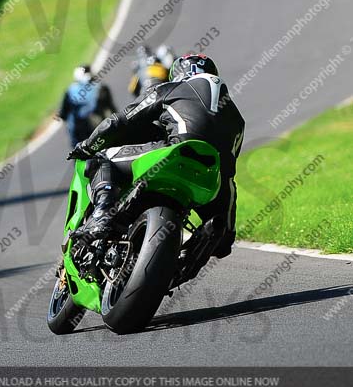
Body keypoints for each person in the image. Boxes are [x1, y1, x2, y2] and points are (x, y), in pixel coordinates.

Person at [68, 54, 245, 260]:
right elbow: (230, 166)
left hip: (175, 153)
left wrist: (88, 145)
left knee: (101, 159)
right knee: (223, 238)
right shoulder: (237, 117)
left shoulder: (171, 88)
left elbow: (119, 121)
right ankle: (210, 239)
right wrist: (227, 232)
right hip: (213, 177)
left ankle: (102, 215)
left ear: (178, 73)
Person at [58, 65, 117, 148]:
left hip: (80, 133)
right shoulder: (102, 88)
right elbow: (112, 109)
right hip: (102, 130)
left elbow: (63, 114)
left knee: (79, 153)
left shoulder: (70, 91)